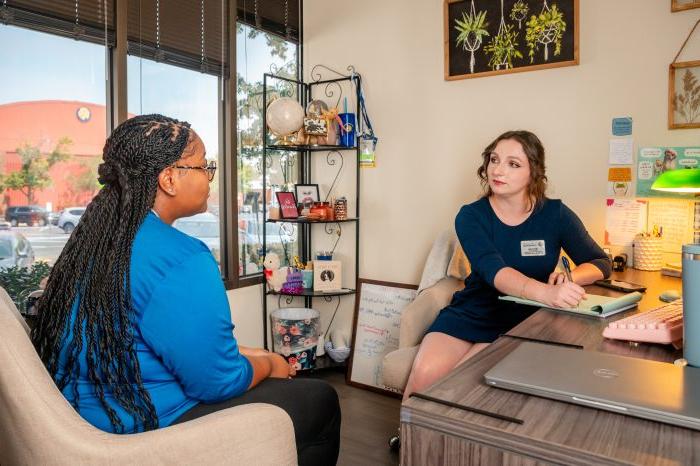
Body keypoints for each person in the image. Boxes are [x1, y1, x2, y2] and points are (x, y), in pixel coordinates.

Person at [31, 114, 340, 466]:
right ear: (169, 178)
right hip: (148, 433)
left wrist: (252, 352)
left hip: (87, 423)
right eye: (203, 165)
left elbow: (154, 341)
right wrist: (270, 364)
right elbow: (216, 385)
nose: (210, 176)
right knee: (321, 399)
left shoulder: (95, 245)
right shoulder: (182, 258)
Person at [402, 130, 611, 401]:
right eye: (494, 160)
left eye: (513, 164)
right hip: (474, 311)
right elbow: (495, 272)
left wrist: (570, 278)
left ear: (533, 172)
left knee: (462, 381)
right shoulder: (471, 216)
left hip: (523, 321)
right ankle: (406, 438)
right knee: (424, 373)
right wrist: (547, 293)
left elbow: (601, 262)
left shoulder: (555, 214)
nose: (498, 170)